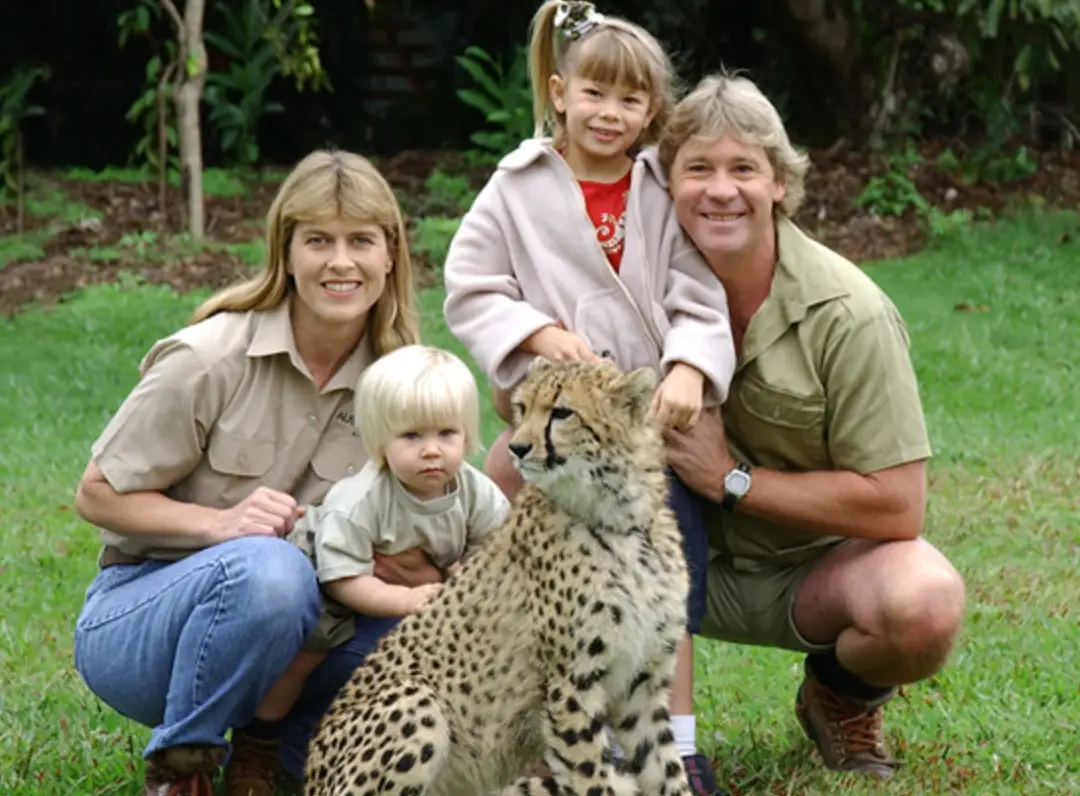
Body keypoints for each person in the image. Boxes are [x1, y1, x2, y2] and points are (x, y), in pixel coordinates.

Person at [443, 5, 736, 790]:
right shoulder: (516, 186)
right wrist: (537, 334)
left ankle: (675, 737)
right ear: (559, 91)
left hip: (642, 428)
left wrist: (688, 371)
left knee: (668, 562)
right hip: (549, 417)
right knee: (515, 541)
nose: (611, 115)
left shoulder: (654, 189)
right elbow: (470, 287)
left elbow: (697, 295)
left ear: (652, 113)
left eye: (631, 102)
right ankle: (529, 723)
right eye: (596, 95)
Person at [71, 149, 423, 796]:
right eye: (318, 240)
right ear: (285, 253)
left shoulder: (402, 383)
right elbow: (96, 495)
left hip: (313, 631)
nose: (340, 262)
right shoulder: (211, 357)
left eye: (360, 241)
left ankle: (282, 759)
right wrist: (220, 525)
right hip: (146, 619)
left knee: (432, 626)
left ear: (390, 254)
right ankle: (183, 764)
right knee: (271, 568)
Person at [657, 72, 967, 782]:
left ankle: (840, 694)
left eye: (744, 168)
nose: (721, 190)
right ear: (666, 184)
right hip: (666, 558)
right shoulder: (636, 288)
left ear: (779, 183)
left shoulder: (849, 312)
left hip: (810, 570)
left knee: (926, 602)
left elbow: (898, 503)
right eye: (697, 168)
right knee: (511, 470)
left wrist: (729, 478)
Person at [253, 344, 510, 730]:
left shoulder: (476, 492)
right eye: (411, 436)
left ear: (467, 435)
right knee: (304, 657)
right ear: (380, 442)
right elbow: (344, 579)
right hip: (325, 570)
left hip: (397, 572)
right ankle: (261, 735)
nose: (431, 451)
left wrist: (467, 587)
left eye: (446, 434)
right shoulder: (359, 500)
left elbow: (493, 553)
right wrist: (406, 599)